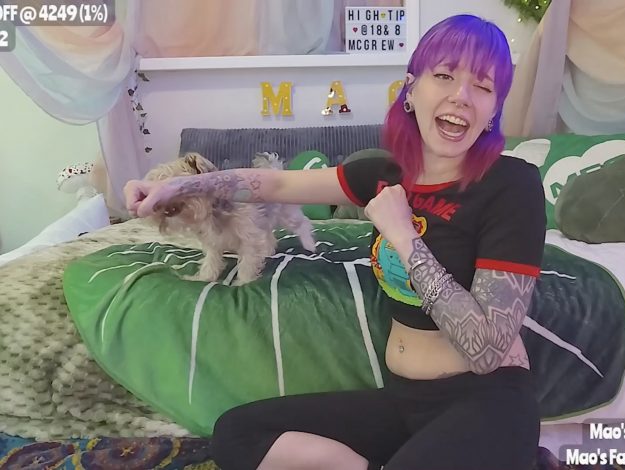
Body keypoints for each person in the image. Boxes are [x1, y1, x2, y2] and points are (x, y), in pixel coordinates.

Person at [125, 14, 546, 470]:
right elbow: (276, 185)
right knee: (238, 435)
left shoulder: (512, 185)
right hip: (405, 401)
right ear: (411, 90)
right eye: (444, 75)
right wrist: (175, 188)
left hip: (487, 403)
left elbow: (486, 351)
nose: (461, 95)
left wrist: (404, 236)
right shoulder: (384, 174)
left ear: (493, 109)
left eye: (482, 86)